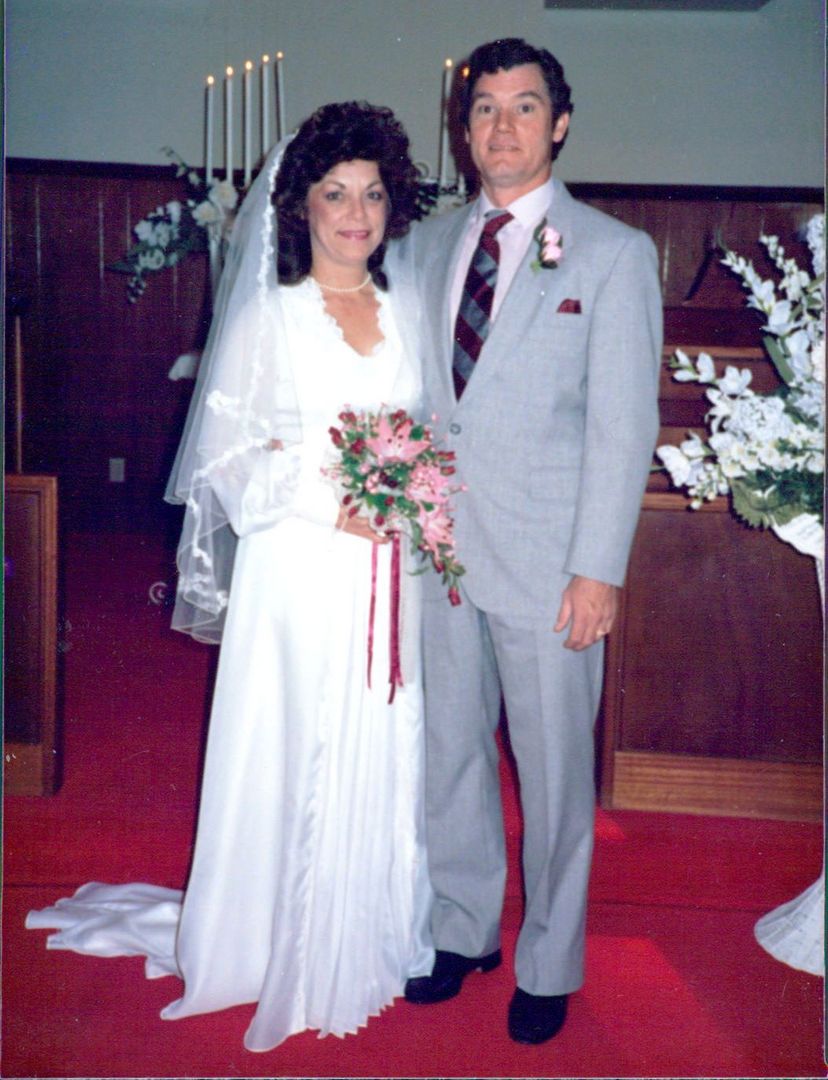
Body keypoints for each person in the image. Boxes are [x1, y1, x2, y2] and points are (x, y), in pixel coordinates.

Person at [26, 101, 434, 1052]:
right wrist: (330, 500)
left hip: (389, 571)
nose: (357, 214)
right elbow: (225, 460)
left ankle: (367, 930)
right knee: (295, 740)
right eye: (336, 193)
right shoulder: (271, 318)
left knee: (384, 730)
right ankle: (277, 942)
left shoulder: (407, 308)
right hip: (301, 564)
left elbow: (426, 432)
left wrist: (411, 494)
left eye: (373, 194)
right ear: (302, 207)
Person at [397, 38, 662, 1044]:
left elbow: (623, 428)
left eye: (523, 106)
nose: (501, 126)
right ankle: (461, 928)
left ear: (559, 124)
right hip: (439, 554)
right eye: (483, 109)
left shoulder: (612, 252)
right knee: (449, 752)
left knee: (553, 776)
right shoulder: (423, 247)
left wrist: (599, 569)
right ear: (463, 130)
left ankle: (549, 959)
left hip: (552, 565)